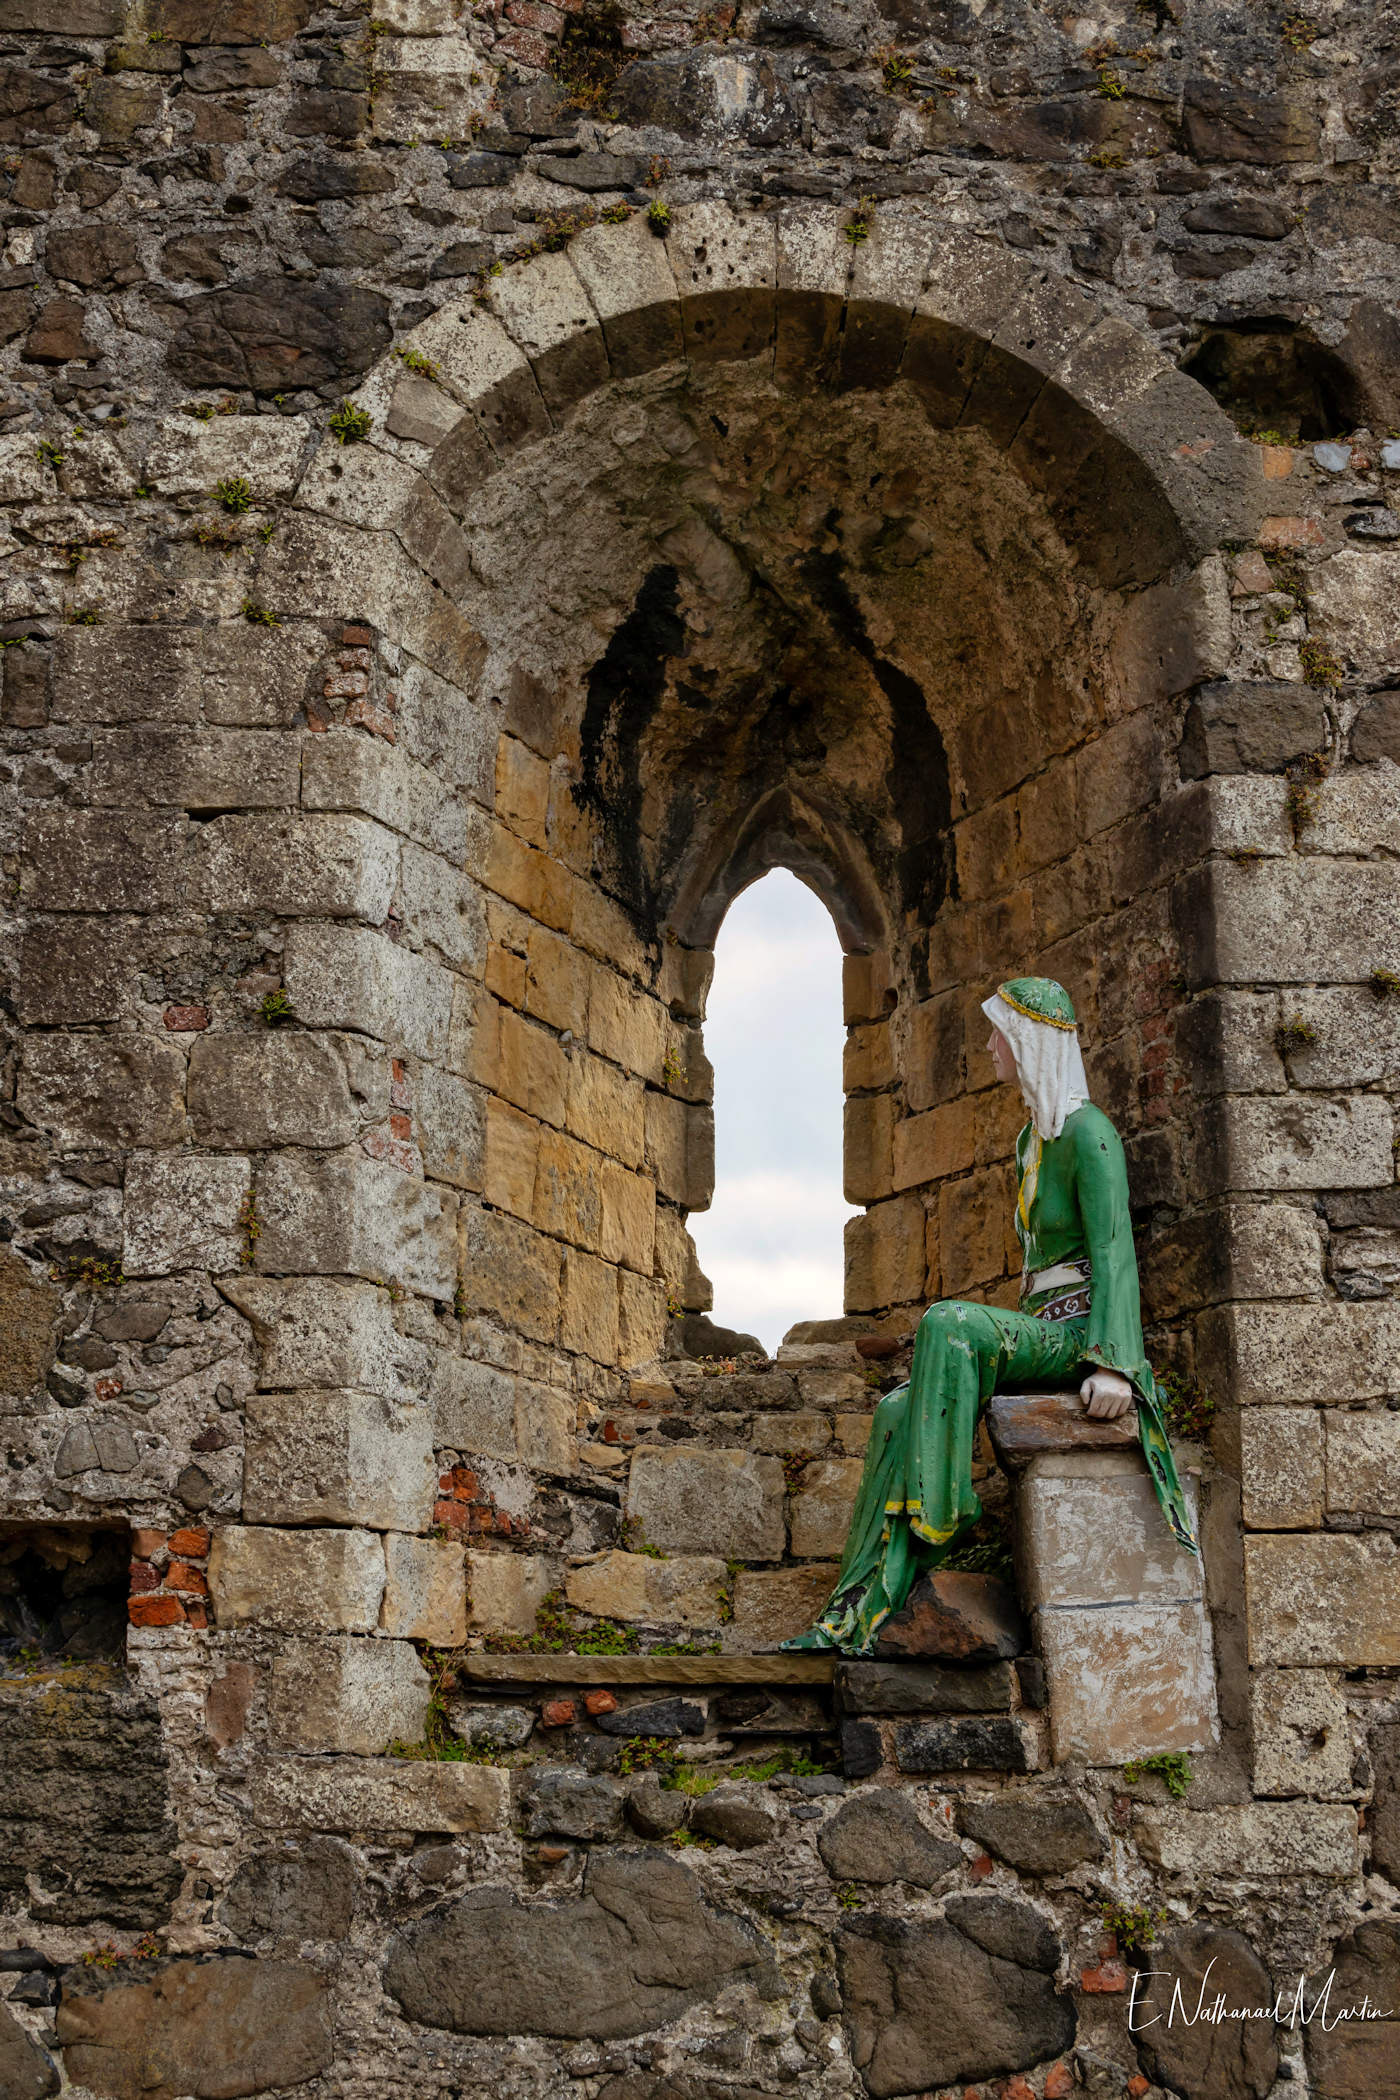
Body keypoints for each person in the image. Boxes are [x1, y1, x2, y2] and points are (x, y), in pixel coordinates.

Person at [780, 975, 1197, 1657]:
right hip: (1038, 1327)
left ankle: (947, 1512)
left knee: (950, 1321)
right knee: (894, 1412)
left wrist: (1113, 1363)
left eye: (999, 1032)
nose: (988, 1045)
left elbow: (1115, 1250)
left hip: (1077, 1336)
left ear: (1031, 1041)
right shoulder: (1030, 1143)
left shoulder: (1089, 1135)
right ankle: (857, 1605)